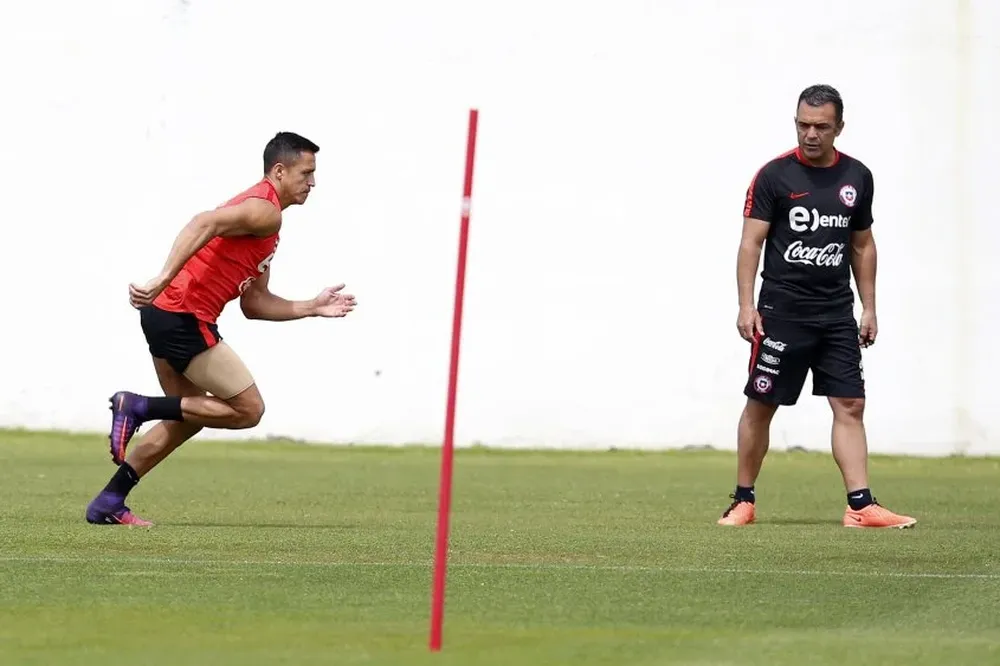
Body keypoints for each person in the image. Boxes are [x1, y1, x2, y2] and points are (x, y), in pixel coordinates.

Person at [86, 131, 356, 526]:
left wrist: (310, 307)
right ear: (279, 171)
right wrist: (163, 278)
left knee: (189, 417)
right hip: (183, 316)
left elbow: (254, 303)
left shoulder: (266, 223)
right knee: (248, 410)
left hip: (165, 315)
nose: (312, 183)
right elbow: (203, 222)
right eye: (306, 173)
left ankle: (109, 500)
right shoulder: (266, 210)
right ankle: (138, 406)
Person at [718, 84, 916, 529]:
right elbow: (751, 242)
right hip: (782, 313)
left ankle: (861, 506)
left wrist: (869, 308)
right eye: (803, 124)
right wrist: (745, 305)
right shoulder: (774, 176)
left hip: (836, 314)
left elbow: (862, 245)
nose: (811, 134)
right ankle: (743, 500)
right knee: (761, 404)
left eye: (821, 126)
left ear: (839, 127)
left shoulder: (858, 177)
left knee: (850, 405)